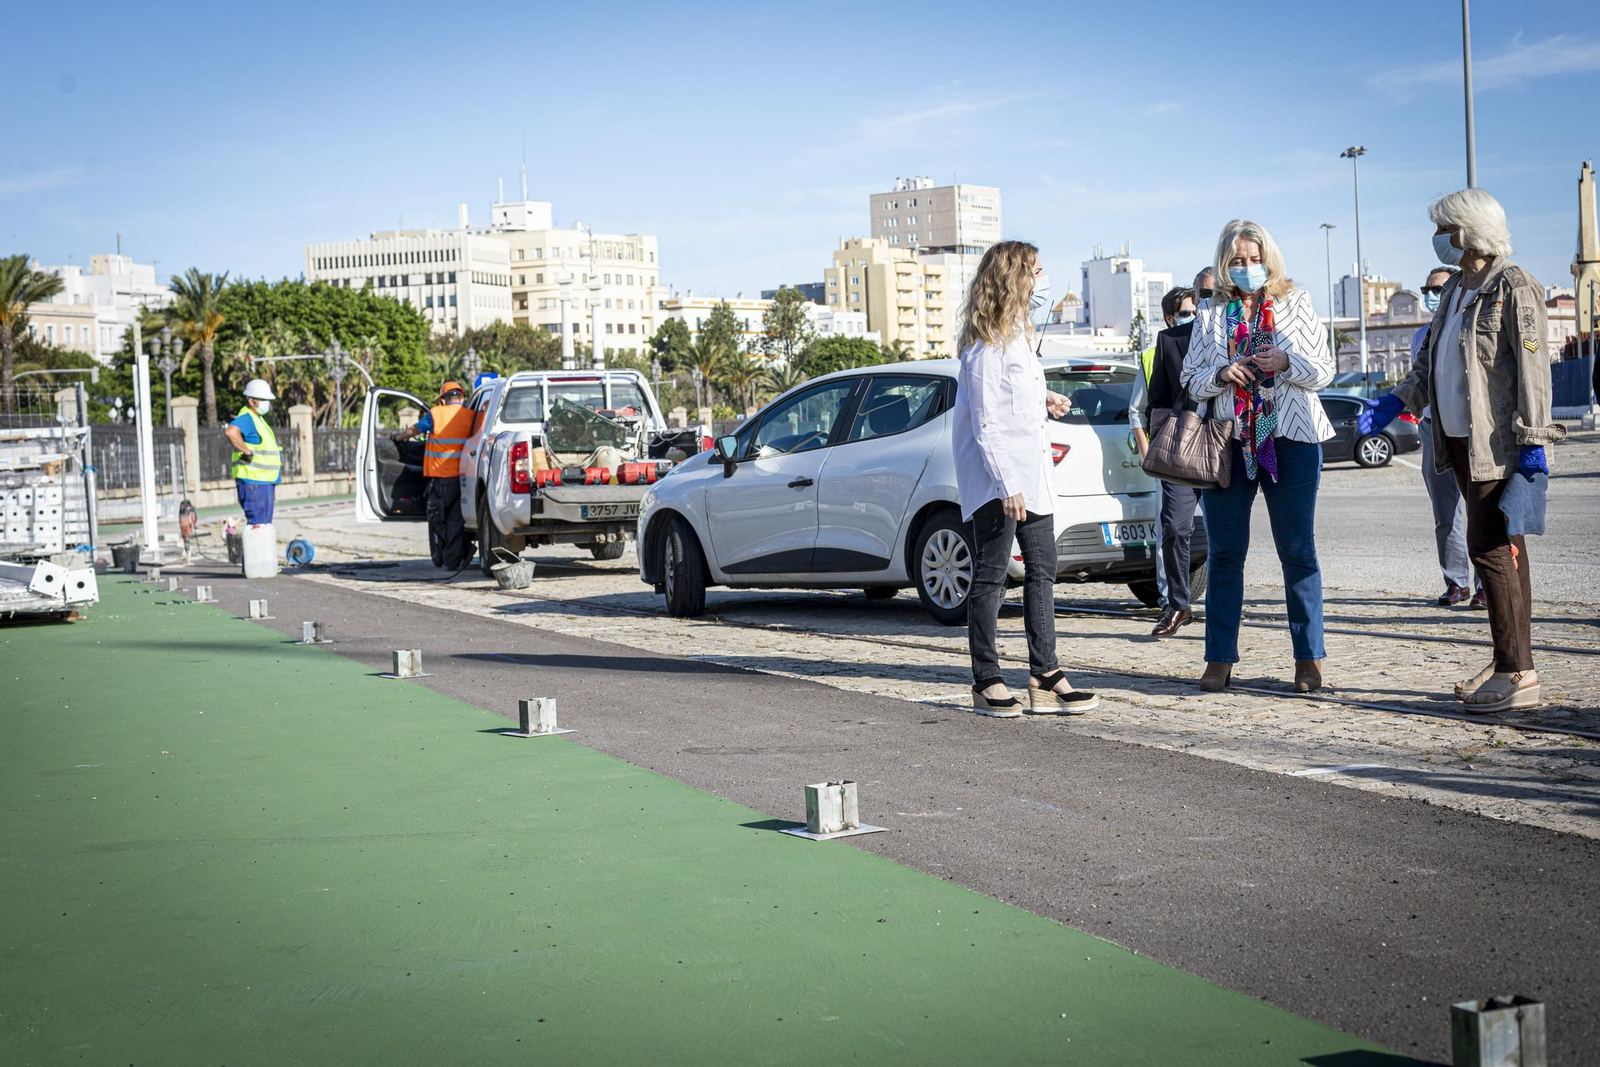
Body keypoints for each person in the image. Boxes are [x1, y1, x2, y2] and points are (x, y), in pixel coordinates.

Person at [1360, 188, 1565, 711]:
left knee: (1492, 550)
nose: (1438, 239)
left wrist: (1534, 441)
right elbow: (1430, 368)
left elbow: (1533, 373)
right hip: (1453, 442)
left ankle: (1518, 671)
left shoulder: (1515, 287)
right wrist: (1393, 402)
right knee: (1498, 552)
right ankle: (1507, 660)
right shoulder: (1455, 291)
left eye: (1444, 229)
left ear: (1469, 231)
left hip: (1495, 445)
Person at [1181, 220, 1334, 693]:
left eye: (1254, 259)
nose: (1248, 268)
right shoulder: (1209, 314)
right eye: (1238, 261)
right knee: (1226, 555)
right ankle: (1218, 658)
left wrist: (1286, 364)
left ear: (1270, 258)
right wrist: (1223, 373)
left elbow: (1324, 370)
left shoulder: (1296, 303)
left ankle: (1309, 658)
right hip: (1228, 443)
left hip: (1290, 439)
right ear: (1225, 264)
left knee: (1298, 552)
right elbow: (1190, 378)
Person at [953, 240, 1098, 717]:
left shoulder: (1016, 334)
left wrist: (1045, 401)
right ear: (1013, 277)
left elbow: (1015, 401)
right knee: (992, 575)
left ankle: (1045, 671)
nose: (1043, 280)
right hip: (1000, 479)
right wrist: (1005, 483)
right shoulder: (983, 344)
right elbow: (985, 421)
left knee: (1043, 568)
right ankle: (986, 678)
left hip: (1032, 475)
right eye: (1036, 271)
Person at [1413, 266, 1485, 609]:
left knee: (1482, 510)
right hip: (1432, 429)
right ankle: (1457, 583)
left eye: (1437, 289)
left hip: (1471, 430)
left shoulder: (1468, 325)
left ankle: (1487, 583)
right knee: (1445, 513)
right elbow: (1419, 380)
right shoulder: (1420, 335)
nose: (1431, 295)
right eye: (1427, 288)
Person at [1142, 282, 1204, 637]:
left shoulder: (1237, 336)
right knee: (1175, 528)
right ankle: (1178, 604)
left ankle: (1228, 603)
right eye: (1200, 299)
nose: (1201, 308)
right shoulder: (1169, 341)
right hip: (1181, 446)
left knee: (1227, 536)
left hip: (1227, 443)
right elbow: (1156, 401)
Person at [395, 381, 474, 569]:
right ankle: (454, 558)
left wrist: (398, 438)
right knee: (455, 518)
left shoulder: (436, 413)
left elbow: (414, 430)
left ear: (443, 400)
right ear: (462, 397)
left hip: (443, 476)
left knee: (436, 517)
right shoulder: (471, 415)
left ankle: (457, 554)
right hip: (465, 476)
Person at [223, 379, 282, 526]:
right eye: (263, 400)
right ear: (251, 401)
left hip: (262, 482)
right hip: (255, 484)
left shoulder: (257, 419)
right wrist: (246, 451)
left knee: (264, 526)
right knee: (259, 526)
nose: (266, 403)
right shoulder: (247, 418)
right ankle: (257, 550)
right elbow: (231, 432)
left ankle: (261, 549)